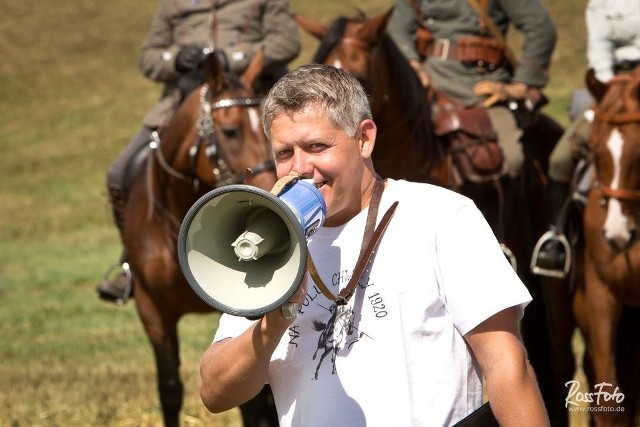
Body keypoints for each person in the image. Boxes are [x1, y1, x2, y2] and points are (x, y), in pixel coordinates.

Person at [198, 64, 549, 426]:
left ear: (364, 138)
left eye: (317, 146)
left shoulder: (442, 217)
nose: (300, 168)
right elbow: (215, 392)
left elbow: (507, 366)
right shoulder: (270, 241)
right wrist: (275, 322)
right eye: (285, 153)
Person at [97, 0, 301, 303]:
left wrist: (229, 59)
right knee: (119, 172)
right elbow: (149, 57)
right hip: (186, 105)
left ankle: (304, 247)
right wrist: (177, 60)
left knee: (298, 164)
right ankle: (131, 262)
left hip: (251, 102)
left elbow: (287, 42)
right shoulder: (173, 4)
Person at [386, 0, 556, 181]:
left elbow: (541, 28)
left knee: (511, 160)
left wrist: (521, 85)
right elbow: (396, 27)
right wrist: (413, 64)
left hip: (481, 90)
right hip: (430, 85)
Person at [531, 0, 640, 276]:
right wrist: (611, 93)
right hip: (614, 87)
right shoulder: (601, 4)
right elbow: (600, 53)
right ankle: (556, 239)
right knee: (560, 159)